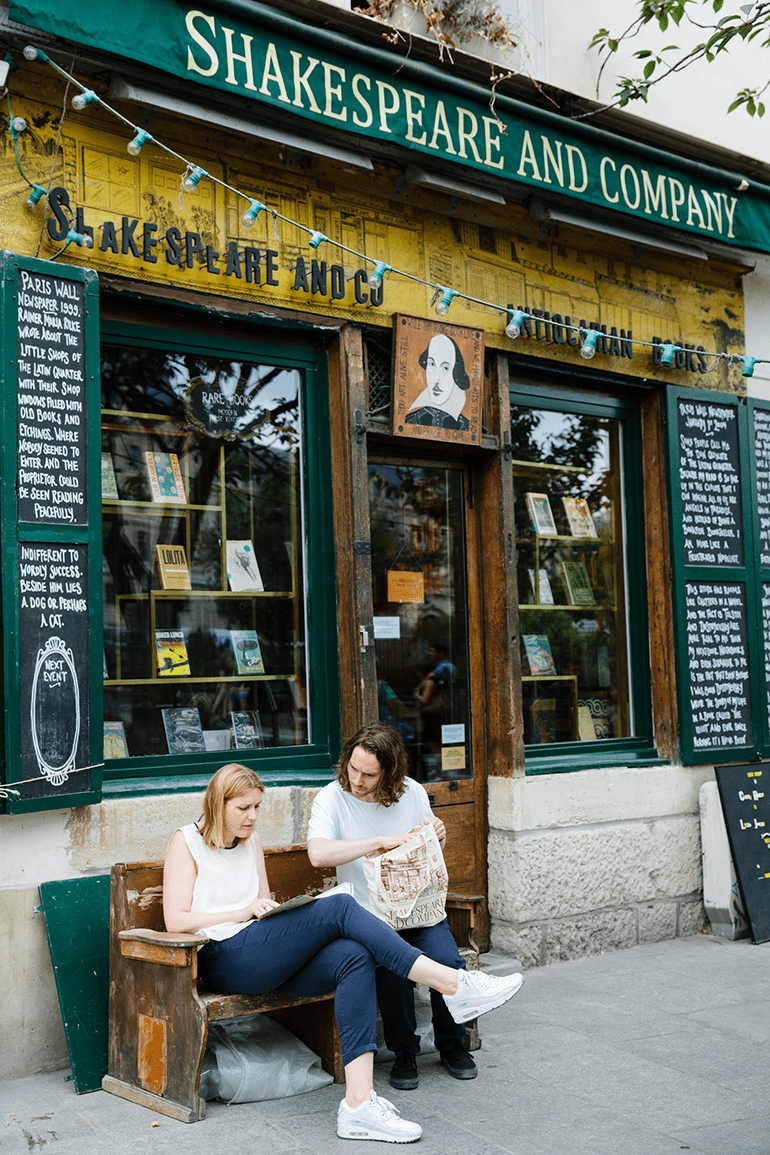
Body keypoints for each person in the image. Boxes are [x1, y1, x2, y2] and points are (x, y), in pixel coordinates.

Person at [164, 762, 524, 1144]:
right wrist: (242, 912)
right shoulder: (185, 841)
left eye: (257, 807)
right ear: (218, 805)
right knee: (340, 907)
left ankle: (358, 1104)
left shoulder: (251, 840)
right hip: (224, 957)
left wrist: (272, 911)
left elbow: (262, 900)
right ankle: (453, 984)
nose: (253, 817)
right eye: (243, 809)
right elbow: (175, 920)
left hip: (263, 949)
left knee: (353, 955)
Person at [307, 724, 521, 1094]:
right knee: (392, 970)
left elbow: (428, 854)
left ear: (390, 773)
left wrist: (435, 835)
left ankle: (452, 1046)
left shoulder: (413, 792)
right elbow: (318, 853)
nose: (357, 780)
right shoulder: (332, 797)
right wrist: (378, 841)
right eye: (352, 769)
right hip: (370, 916)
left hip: (419, 908)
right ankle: (404, 1053)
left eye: (369, 774)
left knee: (446, 960)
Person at [405, 334, 471, 431]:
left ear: (456, 373)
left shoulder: (464, 426)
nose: (436, 379)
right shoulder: (410, 420)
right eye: (431, 364)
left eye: (445, 368)